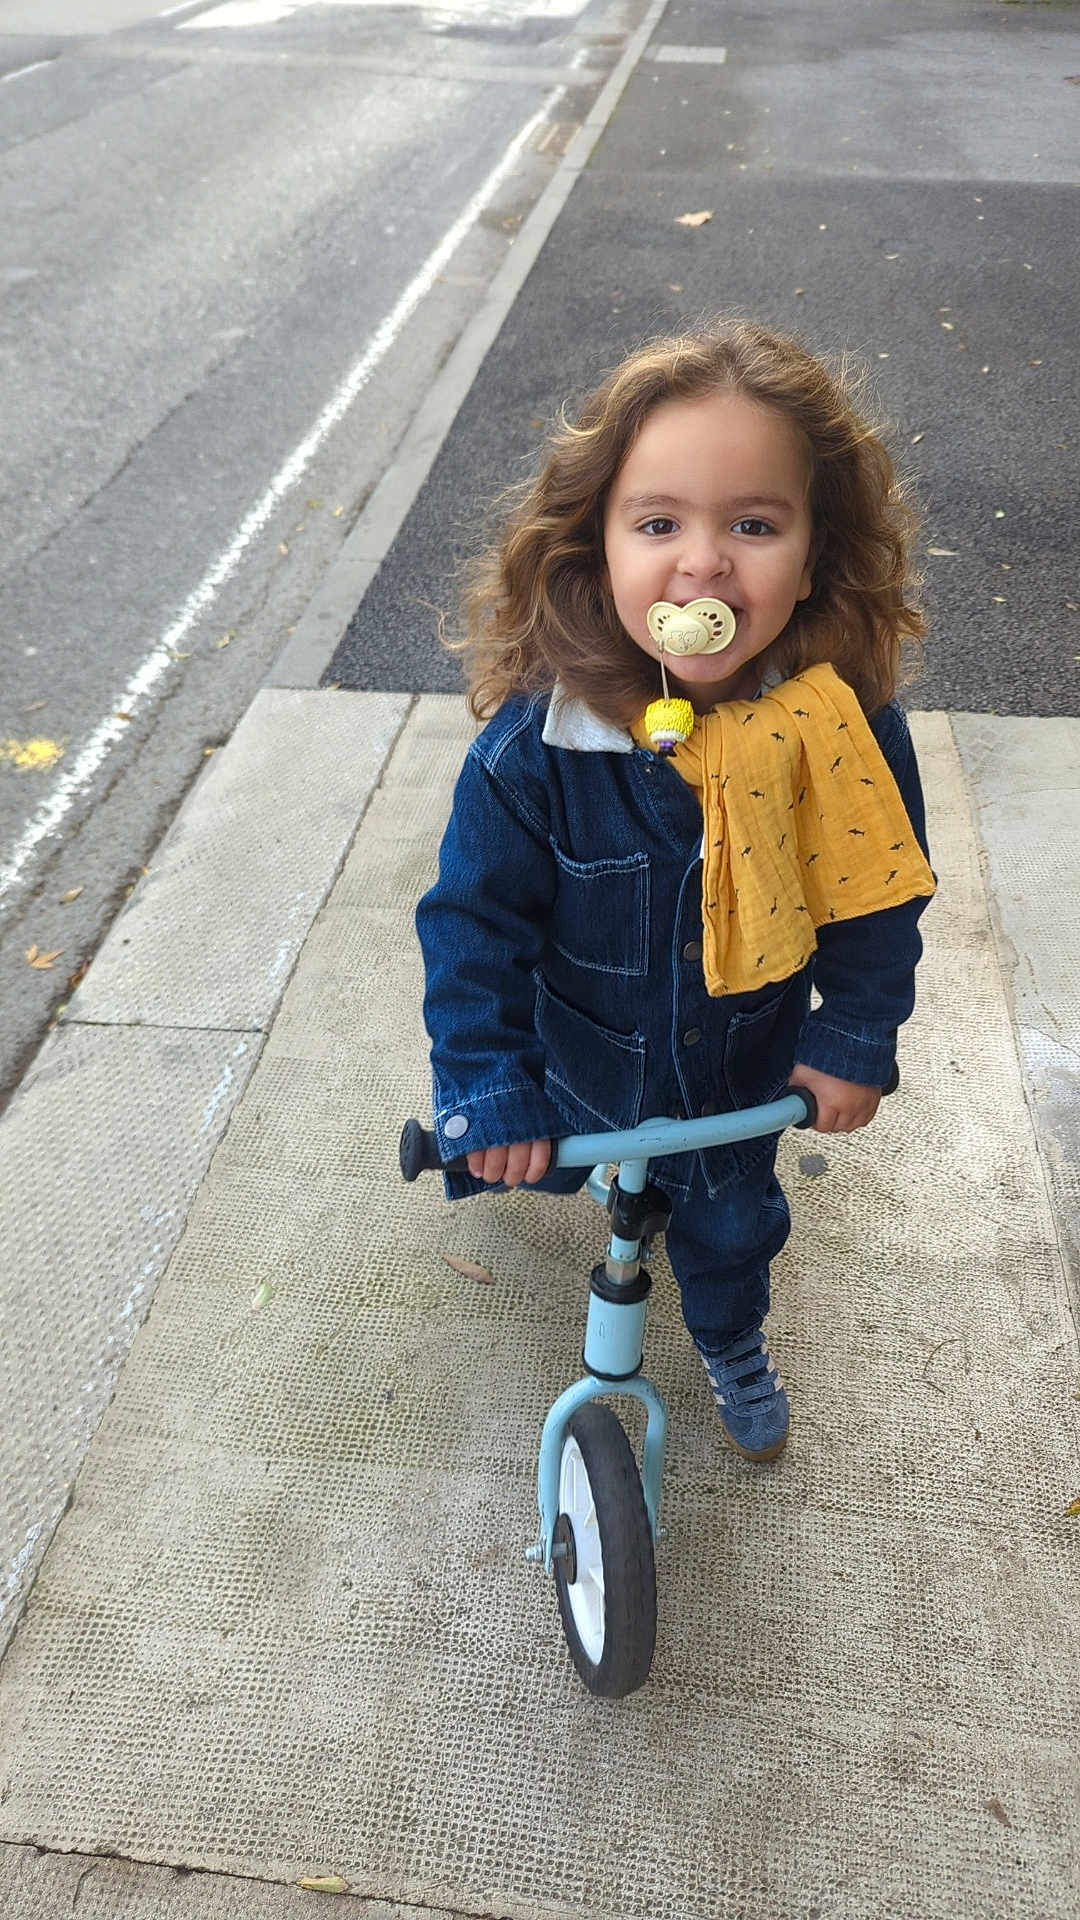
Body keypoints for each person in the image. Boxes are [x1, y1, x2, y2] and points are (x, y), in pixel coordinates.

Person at [415, 318, 936, 1464]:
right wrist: (486, 1091)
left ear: (813, 557)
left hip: (740, 1070)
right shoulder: (540, 748)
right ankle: (597, 1194)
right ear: (598, 546)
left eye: (754, 525)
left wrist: (853, 1036)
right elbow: (472, 927)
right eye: (660, 524)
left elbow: (876, 895)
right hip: (582, 1060)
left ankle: (731, 1335)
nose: (704, 564)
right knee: (586, 1181)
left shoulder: (839, 734)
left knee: (731, 1224)